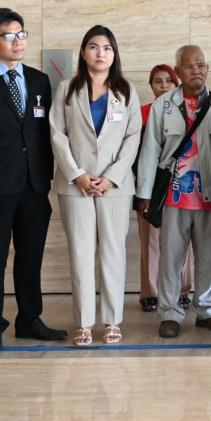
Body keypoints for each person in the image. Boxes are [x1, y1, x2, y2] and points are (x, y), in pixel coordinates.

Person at [0, 7, 65, 350]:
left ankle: (29, 319)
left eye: (21, 34)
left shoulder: (39, 80)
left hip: (34, 185)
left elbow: (44, 133)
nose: (18, 41)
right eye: (9, 36)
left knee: (31, 256)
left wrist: (48, 177)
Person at [50, 25, 141, 346]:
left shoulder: (126, 90)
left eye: (107, 48)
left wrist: (112, 176)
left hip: (115, 186)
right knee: (81, 253)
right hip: (75, 185)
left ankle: (112, 320)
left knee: (113, 253)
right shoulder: (67, 88)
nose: (100, 53)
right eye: (93, 46)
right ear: (83, 52)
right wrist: (77, 174)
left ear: (114, 54)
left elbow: (133, 137)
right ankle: (84, 323)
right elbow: (57, 134)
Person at [136, 45, 211, 339]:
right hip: (174, 197)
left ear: (207, 69)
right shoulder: (164, 106)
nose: (196, 71)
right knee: (171, 259)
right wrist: (144, 193)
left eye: (201, 65)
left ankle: (207, 310)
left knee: (209, 258)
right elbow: (150, 150)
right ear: (178, 72)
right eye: (189, 66)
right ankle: (169, 313)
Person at [134, 65, 193, 313]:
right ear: (151, 86)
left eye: (169, 80)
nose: (164, 85)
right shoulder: (142, 113)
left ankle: (182, 290)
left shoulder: (187, 110)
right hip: (150, 186)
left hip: (181, 183)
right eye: (158, 81)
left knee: (182, 239)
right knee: (151, 240)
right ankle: (151, 292)